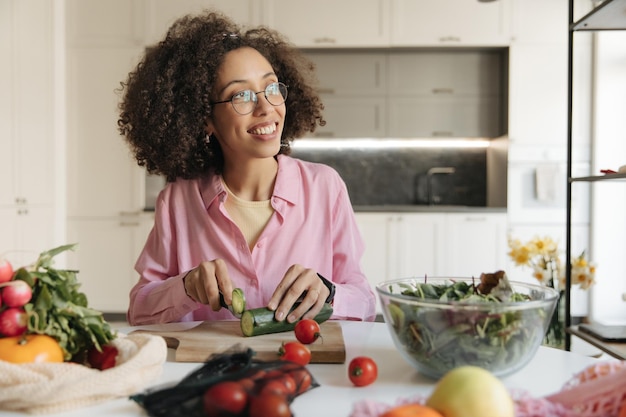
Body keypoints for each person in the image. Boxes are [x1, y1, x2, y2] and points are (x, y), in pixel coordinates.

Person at [117, 10, 376, 326]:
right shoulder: (178, 200)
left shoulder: (324, 186)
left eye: (271, 88)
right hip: (212, 369)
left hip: (303, 365)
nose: (266, 107)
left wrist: (330, 292)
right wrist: (184, 287)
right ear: (205, 119)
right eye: (240, 95)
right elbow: (140, 310)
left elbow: (364, 301)